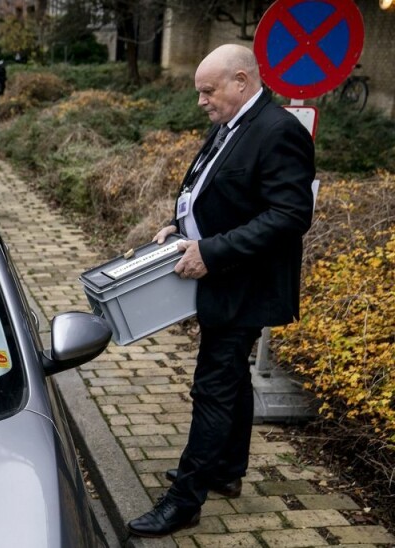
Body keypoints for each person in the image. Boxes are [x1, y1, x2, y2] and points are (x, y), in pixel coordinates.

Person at [126, 44, 315, 538]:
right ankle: (226, 471)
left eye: (208, 91)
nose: (202, 102)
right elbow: (213, 192)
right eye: (199, 93)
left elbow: (289, 216)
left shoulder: (279, 132)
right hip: (222, 276)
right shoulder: (230, 124)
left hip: (244, 284)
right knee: (229, 378)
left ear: (241, 81)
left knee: (212, 386)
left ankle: (186, 498)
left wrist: (211, 251)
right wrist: (178, 225)